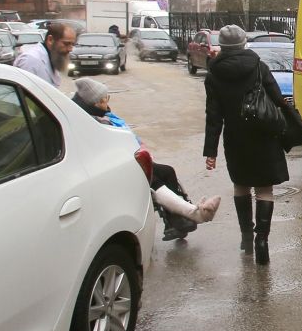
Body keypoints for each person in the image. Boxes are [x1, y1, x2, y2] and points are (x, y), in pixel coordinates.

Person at [72, 78, 219, 240]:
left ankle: (175, 222)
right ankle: (194, 213)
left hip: (130, 158)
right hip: (116, 166)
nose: (107, 102)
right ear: (94, 103)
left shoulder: (105, 115)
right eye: (104, 99)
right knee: (152, 179)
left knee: (167, 171)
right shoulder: (93, 123)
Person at [204, 23, 291, 263]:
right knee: (264, 190)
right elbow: (278, 100)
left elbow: (214, 116)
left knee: (241, 186)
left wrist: (210, 151)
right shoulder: (259, 67)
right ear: (244, 43)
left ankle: (245, 237)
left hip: (236, 139)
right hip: (263, 136)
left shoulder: (214, 75)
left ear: (222, 46)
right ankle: (261, 240)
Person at [15, 20, 77, 90]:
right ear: (50, 40)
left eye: (72, 44)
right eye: (66, 44)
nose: (70, 49)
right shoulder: (30, 60)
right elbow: (24, 94)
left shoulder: (53, 57)